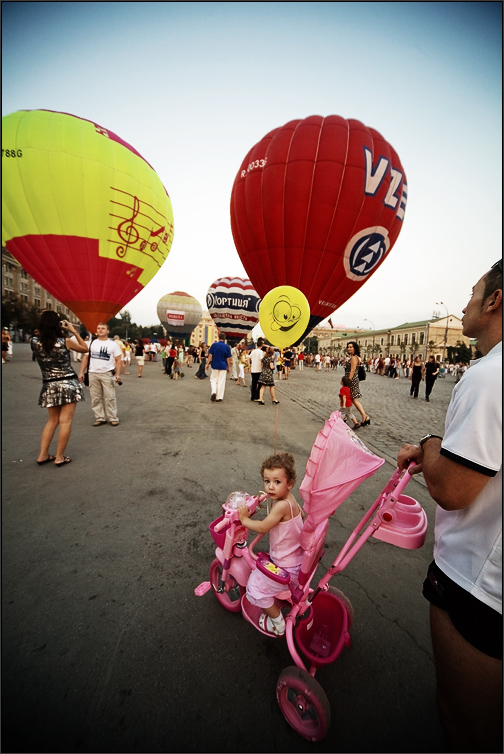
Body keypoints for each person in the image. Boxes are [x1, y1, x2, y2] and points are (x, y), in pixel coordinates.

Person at [397, 260, 502, 753]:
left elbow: (451, 489)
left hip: (477, 583)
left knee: (463, 722)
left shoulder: (491, 377)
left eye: (472, 292)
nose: (464, 303)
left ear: (495, 301)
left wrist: (429, 441)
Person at [238, 452, 305, 636]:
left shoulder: (282, 506)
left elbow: (262, 527)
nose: (270, 487)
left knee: (254, 588)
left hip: (287, 570)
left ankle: (278, 623)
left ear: (289, 483)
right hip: (297, 563)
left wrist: (244, 519)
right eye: (267, 481)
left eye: (277, 482)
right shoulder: (292, 502)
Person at [31, 310, 88, 466]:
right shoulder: (65, 341)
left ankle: (43, 455)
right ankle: (59, 457)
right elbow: (85, 349)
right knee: (65, 421)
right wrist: (73, 331)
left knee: (52, 420)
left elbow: (40, 336)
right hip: (68, 383)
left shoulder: (34, 341)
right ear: (58, 324)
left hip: (49, 384)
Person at [79, 323, 122, 426]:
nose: (100, 330)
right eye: (98, 328)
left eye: (103, 328)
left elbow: (118, 360)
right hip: (93, 373)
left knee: (110, 397)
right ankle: (100, 417)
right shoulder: (91, 343)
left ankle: (112, 418)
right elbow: (86, 357)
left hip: (107, 373)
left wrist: (118, 374)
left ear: (108, 331)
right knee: (95, 397)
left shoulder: (113, 344)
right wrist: (81, 371)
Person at [344, 342, 370, 425]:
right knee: (351, 399)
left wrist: (348, 381)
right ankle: (347, 416)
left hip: (352, 380)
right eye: (348, 347)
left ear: (355, 348)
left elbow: (352, 370)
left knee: (353, 399)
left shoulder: (354, 358)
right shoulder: (357, 357)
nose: (349, 348)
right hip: (354, 380)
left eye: (351, 347)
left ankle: (364, 416)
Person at [206, 333, 232, 402]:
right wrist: (228, 367)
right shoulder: (227, 347)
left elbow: (210, 355)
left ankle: (214, 392)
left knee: (213, 379)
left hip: (215, 365)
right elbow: (228, 358)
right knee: (221, 381)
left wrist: (207, 364)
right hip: (223, 366)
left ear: (218, 337)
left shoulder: (214, 345)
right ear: (224, 338)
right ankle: (219, 397)